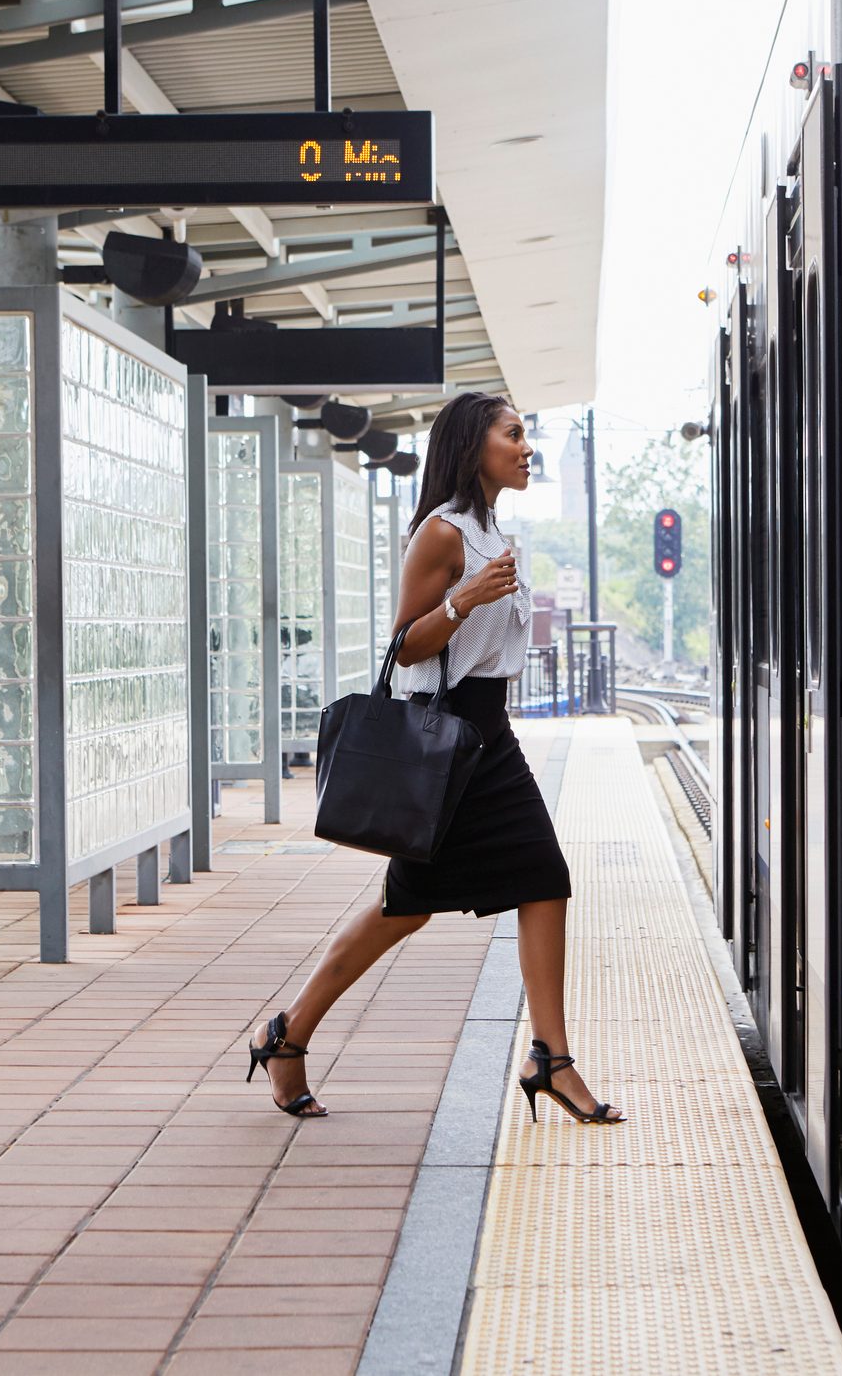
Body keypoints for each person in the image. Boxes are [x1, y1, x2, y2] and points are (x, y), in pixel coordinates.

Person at [245, 392, 624, 1125]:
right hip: (444, 739)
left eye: (524, 435)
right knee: (403, 908)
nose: (525, 447)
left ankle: (550, 1056)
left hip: (488, 737)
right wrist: (463, 599)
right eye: (512, 435)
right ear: (471, 446)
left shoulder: (490, 529)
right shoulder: (443, 533)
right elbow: (404, 645)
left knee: (541, 878)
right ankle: (287, 1034)